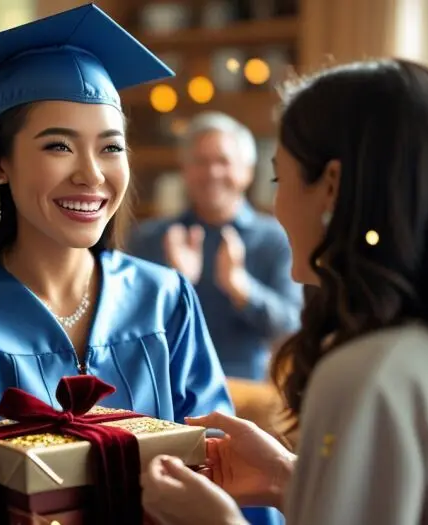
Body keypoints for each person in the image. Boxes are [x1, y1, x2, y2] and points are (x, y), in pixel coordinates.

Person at [0, 5, 282, 525]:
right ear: (2, 165)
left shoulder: (164, 299)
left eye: (110, 147)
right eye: (59, 145)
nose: (91, 173)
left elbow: (222, 462)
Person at [141, 58, 428, 525]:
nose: (278, 204)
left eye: (278, 178)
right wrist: (287, 478)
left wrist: (217, 521)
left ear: (329, 187)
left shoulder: (367, 374)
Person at [127, 112, 302, 381]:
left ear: (247, 171)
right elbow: (126, 327)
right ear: (184, 170)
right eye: (200, 161)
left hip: (246, 393)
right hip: (165, 385)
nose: (212, 172)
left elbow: (290, 326)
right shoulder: (150, 238)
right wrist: (177, 284)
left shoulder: (276, 238)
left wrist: (241, 288)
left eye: (223, 161)